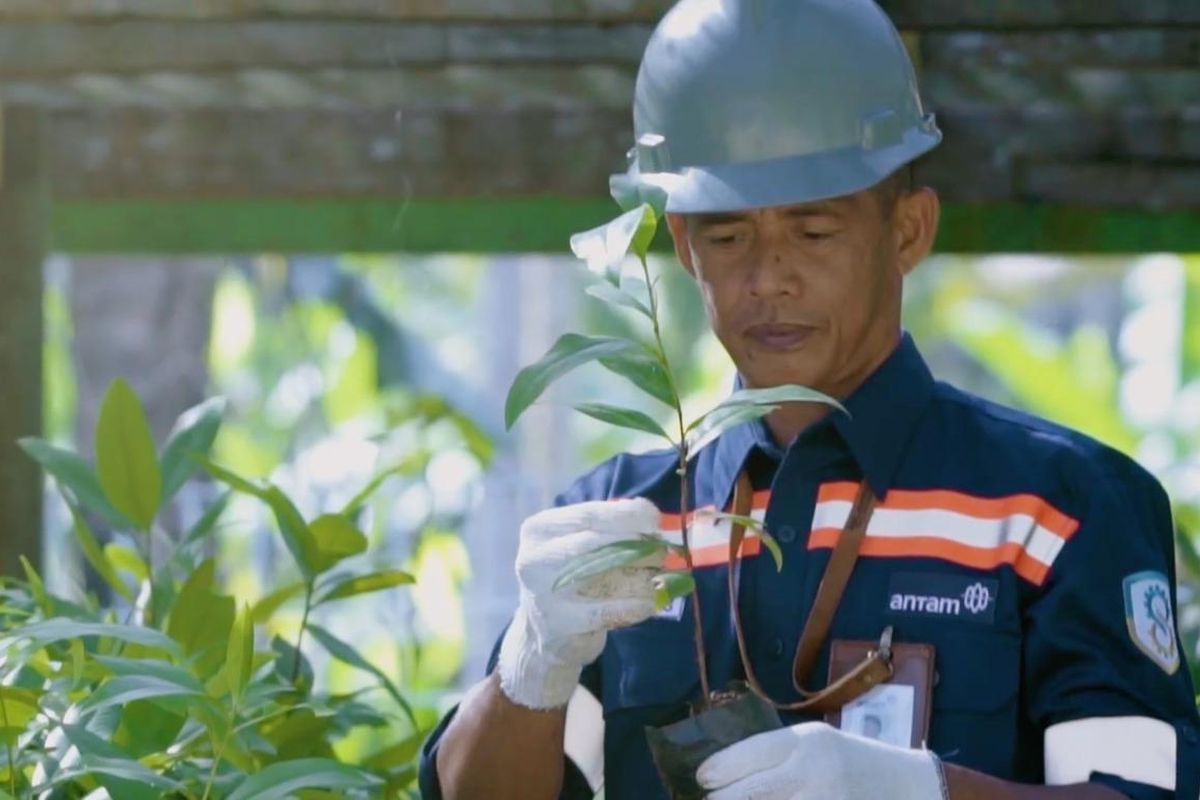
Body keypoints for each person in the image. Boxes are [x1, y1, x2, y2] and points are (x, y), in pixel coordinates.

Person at [419, 0, 1200, 798]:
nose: (769, 278)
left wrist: (927, 792)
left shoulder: (1056, 509)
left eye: (814, 231)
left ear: (908, 231)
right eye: (728, 237)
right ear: (685, 248)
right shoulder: (626, 524)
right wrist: (535, 664)